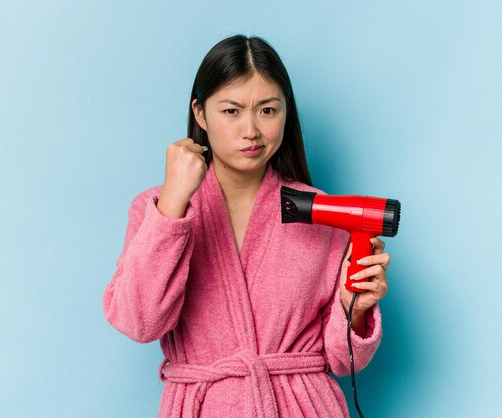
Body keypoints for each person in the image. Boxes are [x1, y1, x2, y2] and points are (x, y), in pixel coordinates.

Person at [103, 34, 391, 418]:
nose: (251, 130)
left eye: (267, 110)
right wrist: (173, 204)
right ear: (201, 114)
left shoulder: (323, 212)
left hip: (303, 406)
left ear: (286, 113)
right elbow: (139, 322)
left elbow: (343, 361)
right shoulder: (156, 208)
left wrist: (357, 307)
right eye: (232, 111)